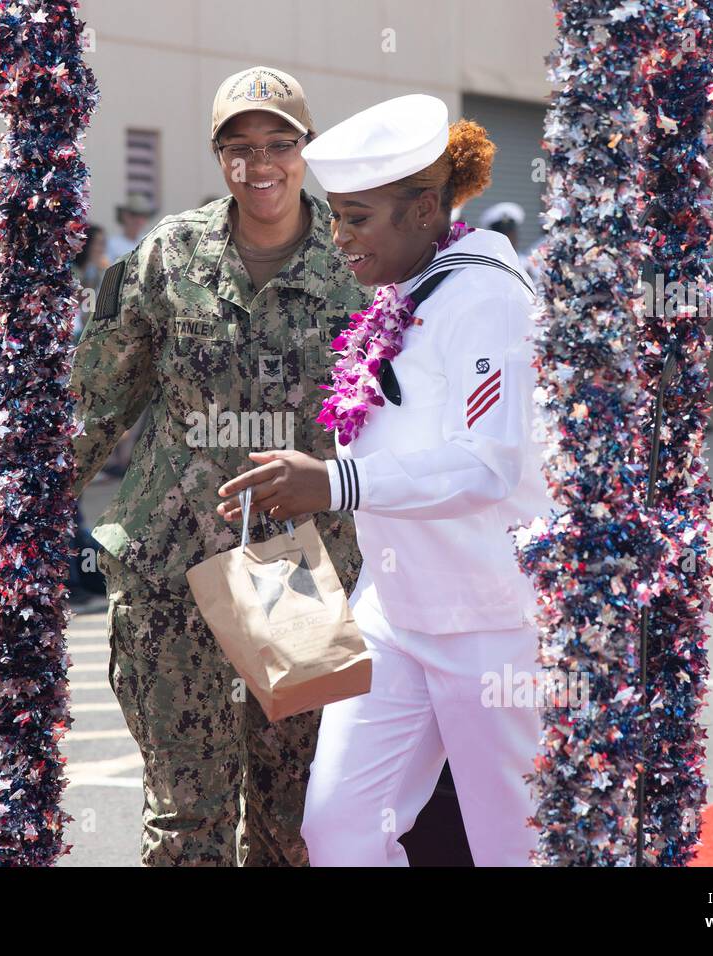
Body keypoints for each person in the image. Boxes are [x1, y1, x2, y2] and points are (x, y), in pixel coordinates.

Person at [218, 94, 551, 866]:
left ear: (426, 210)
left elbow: (486, 464)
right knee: (339, 832)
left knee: (517, 846)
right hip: (398, 611)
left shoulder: (487, 297)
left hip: (491, 620)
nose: (338, 237)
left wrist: (337, 483)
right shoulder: (406, 290)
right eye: (334, 215)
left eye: (357, 218)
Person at [70, 65, 368, 866]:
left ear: (306, 149)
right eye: (239, 148)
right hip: (173, 569)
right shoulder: (170, 254)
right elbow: (100, 397)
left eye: (278, 144)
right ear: (217, 155)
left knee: (289, 817)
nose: (259, 164)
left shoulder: (357, 260)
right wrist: (24, 509)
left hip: (302, 575)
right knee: (184, 818)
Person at [104, 194, 156, 262]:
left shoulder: (149, 243)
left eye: (143, 216)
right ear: (125, 216)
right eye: (134, 214)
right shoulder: (111, 244)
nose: (138, 220)